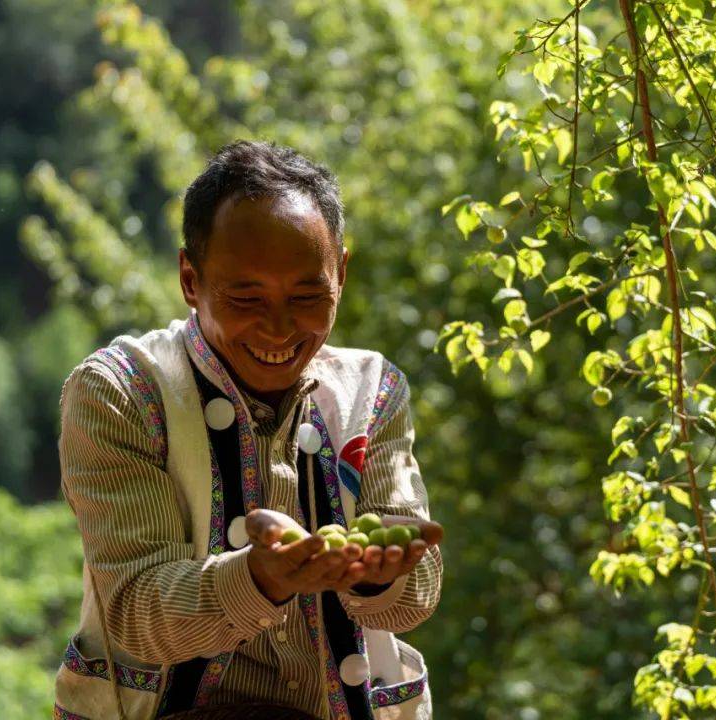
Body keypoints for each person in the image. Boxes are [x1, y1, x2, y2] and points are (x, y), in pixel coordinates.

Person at [52, 140, 443, 720]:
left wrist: (379, 578)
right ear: (190, 279)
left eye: (308, 295)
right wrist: (257, 578)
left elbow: (413, 595)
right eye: (245, 297)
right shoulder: (120, 392)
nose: (279, 327)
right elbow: (134, 609)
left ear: (341, 271)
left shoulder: (374, 390)